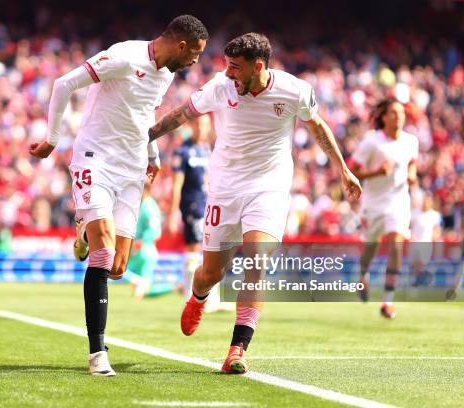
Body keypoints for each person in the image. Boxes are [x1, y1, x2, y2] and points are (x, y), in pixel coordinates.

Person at [149, 33, 361, 374]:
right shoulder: (220, 87)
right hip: (224, 189)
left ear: (257, 66)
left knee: (256, 263)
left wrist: (343, 170)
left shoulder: (294, 91)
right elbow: (183, 114)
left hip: (268, 187)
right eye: (227, 66)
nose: (229, 73)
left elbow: (318, 127)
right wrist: (147, 136)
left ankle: (237, 350)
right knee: (210, 273)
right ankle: (198, 296)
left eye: (235, 67)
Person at [30, 15, 208, 376]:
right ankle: (97, 352)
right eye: (196, 54)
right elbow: (64, 83)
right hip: (95, 161)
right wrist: (52, 138)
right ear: (182, 45)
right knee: (104, 251)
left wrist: (153, 155)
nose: (195, 62)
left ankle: (83, 233)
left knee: (117, 266)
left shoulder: (166, 73)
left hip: (132, 170)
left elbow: (143, 115)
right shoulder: (125, 57)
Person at [348, 99, 419, 319]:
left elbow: (412, 162)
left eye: (401, 113)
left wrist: (412, 175)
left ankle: (388, 301)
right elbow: (353, 171)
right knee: (371, 247)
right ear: (384, 117)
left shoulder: (411, 141)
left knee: (396, 245)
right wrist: (377, 172)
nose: (399, 116)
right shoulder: (372, 142)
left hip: (398, 201)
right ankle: (363, 276)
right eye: (394, 113)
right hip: (374, 203)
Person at [168, 116, 227, 310]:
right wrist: (173, 214)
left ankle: (212, 298)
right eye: (199, 125)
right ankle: (189, 296)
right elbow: (177, 185)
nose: (202, 129)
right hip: (192, 206)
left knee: (212, 251)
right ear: (192, 126)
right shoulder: (183, 151)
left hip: (209, 205)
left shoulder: (208, 150)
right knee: (193, 248)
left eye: (205, 125)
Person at [126, 179, 175, 300]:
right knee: (143, 290)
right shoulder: (144, 204)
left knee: (116, 268)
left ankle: (175, 287)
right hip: (143, 250)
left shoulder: (148, 206)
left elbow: (154, 230)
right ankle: (174, 287)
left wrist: (141, 241)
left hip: (144, 249)